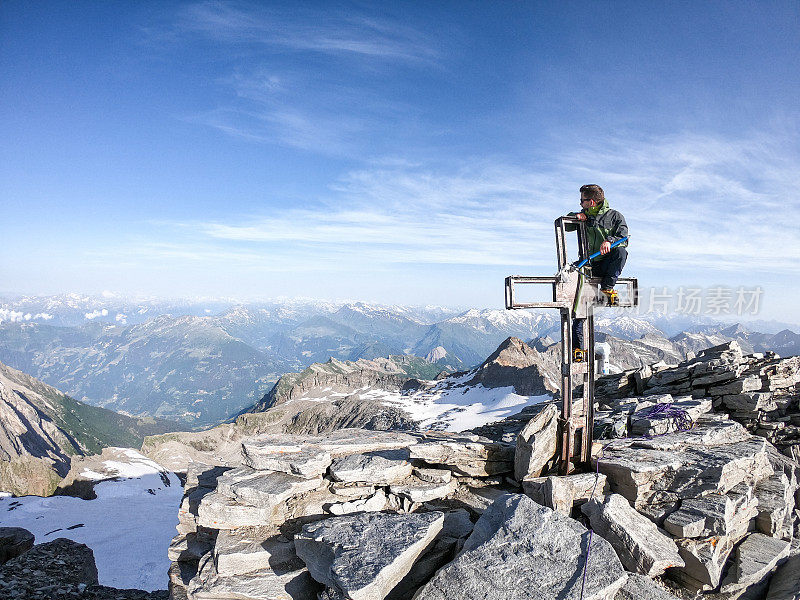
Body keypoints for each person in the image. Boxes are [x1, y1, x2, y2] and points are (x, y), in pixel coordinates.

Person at [566, 184, 628, 362]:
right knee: (580, 307)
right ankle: (578, 349)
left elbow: (624, 237)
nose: (580, 203)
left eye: (582, 200)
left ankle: (607, 288)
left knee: (621, 252)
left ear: (591, 201)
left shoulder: (615, 216)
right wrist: (575, 217)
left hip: (606, 264)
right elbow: (565, 223)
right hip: (587, 266)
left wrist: (610, 241)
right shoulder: (582, 216)